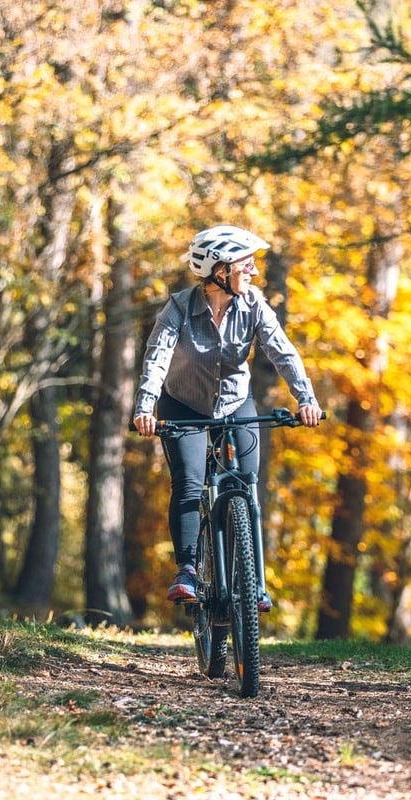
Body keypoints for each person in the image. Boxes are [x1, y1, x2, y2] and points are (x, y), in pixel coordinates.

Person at [132, 224, 322, 609]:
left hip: (235, 405)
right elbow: (156, 359)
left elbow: (282, 352)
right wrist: (144, 407)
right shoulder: (179, 308)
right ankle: (187, 570)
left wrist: (306, 398)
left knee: (247, 484)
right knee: (188, 482)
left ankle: (254, 581)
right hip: (182, 406)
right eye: (245, 265)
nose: (252, 272)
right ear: (219, 270)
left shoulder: (253, 305)